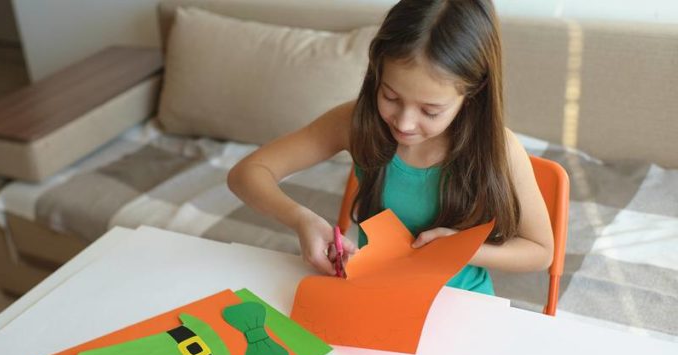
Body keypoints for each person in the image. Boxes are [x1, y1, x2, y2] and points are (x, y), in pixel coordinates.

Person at [227, 0, 553, 295]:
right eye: (391, 97)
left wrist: (463, 248)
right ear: (376, 72)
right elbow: (247, 173)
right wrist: (302, 219)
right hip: (375, 295)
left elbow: (540, 251)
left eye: (430, 110)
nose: (405, 123)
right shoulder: (354, 121)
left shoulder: (500, 149)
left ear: (473, 94)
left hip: (461, 303)